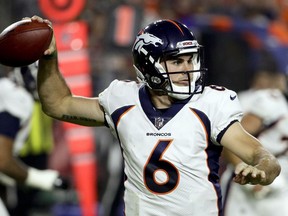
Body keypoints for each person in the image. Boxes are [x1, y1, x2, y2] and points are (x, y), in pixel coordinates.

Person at [32, 15, 280, 216]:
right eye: (176, 62)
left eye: (190, 59)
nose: (187, 70)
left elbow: (262, 155)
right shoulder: (122, 100)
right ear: (148, 65)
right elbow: (58, 105)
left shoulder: (210, 104)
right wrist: (49, 58)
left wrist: (263, 169)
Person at [0, 63, 67, 216]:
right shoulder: (17, 96)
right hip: (28, 151)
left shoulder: (8, 90)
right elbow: (2, 160)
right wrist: (39, 179)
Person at [221, 70, 288, 216]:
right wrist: (244, 170)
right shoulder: (273, 101)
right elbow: (232, 141)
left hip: (280, 187)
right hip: (248, 183)